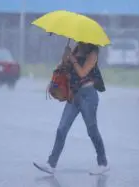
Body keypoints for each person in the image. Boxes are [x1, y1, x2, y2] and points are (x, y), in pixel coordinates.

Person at [34, 42, 109, 175]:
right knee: (62, 128)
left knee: (92, 130)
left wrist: (73, 59)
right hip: (73, 95)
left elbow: (82, 73)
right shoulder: (75, 49)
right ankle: (51, 164)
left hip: (88, 96)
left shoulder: (93, 53)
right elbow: (63, 67)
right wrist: (65, 57)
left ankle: (102, 163)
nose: (79, 39)